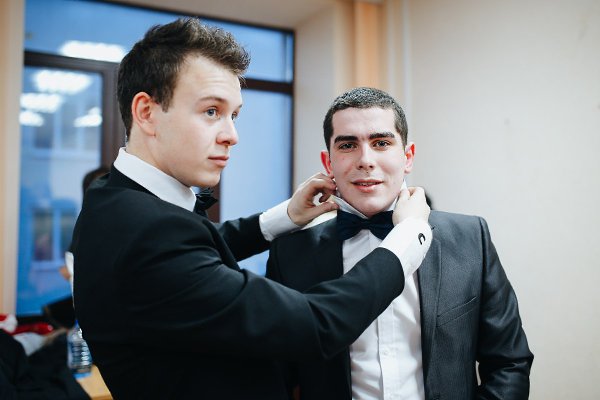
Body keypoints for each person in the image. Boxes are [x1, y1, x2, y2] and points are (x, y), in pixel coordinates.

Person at [71, 19, 434, 399]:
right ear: (146, 112)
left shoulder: (111, 198)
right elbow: (316, 325)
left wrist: (284, 218)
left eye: (234, 115)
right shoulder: (148, 234)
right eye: (211, 111)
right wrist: (407, 239)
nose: (232, 135)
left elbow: (194, 250)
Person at [266, 87, 533, 399]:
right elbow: (275, 378)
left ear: (408, 157)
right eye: (348, 145)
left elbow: (509, 362)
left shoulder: (471, 238)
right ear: (328, 162)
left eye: (381, 143)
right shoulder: (291, 253)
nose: (366, 160)